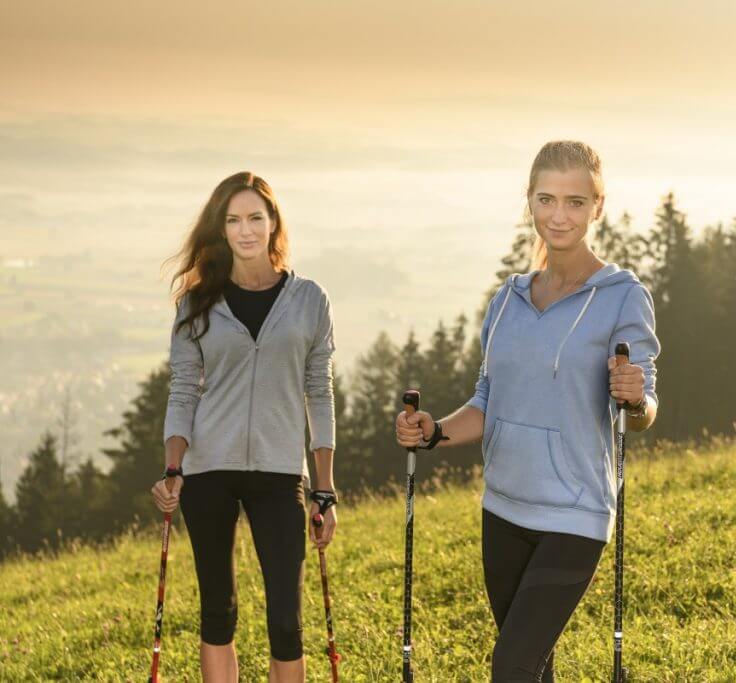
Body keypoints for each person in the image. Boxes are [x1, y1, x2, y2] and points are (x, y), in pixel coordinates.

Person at [395, 140, 659, 682]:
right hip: (504, 510)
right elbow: (488, 401)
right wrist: (433, 432)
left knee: (510, 667)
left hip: (575, 513)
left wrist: (634, 395)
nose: (559, 215)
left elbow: (643, 411)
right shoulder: (508, 299)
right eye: (546, 199)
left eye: (575, 202)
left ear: (597, 206)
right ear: (530, 203)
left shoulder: (621, 297)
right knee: (533, 670)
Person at [151, 172, 338, 683]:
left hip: (280, 471)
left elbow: (318, 393)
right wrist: (172, 466)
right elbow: (183, 390)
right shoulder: (196, 303)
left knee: (286, 618)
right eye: (234, 220)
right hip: (208, 467)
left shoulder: (309, 300)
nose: (246, 229)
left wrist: (324, 490)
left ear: (274, 222)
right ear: (222, 229)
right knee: (218, 612)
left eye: (256, 217)